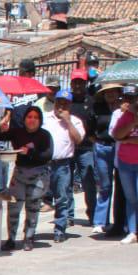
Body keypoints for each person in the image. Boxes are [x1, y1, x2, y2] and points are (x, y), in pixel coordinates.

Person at [0, 105, 53, 252]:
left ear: (40, 120)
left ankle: (29, 238)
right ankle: (11, 239)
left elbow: (48, 155)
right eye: (29, 117)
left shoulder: (45, 135)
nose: (32, 120)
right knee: (14, 207)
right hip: (20, 174)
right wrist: (1, 127)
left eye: (35, 118)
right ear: (24, 119)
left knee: (33, 208)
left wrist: (30, 152)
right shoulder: (17, 132)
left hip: (38, 175)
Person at [44, 90, 86, 243]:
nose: (61, 106)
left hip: (62, 164)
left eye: (65, 103)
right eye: (59, 102)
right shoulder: (45, 118)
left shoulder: (75, 121)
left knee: (61, 198)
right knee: (36, 197)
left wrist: (67, 122)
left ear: (70, 105)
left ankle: (59, 229)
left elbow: (78, 140)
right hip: (45, 163)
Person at [90, 84, 122, 235]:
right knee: (104, 185)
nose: (110, 94)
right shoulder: (98, 108)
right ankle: (101, 221)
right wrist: (97, 142)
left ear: (118, 93)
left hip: (120, 147)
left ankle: (120, 221)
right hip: (103, 147)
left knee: (122, 187)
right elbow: (90, 129)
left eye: (113, 92)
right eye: (106, 92)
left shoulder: (125, 108)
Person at [108, 85, 138, 244]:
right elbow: (117, 134)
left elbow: (124, 138)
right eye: (130, 99)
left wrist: (128, 140)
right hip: (125, 161)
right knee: (131, 198)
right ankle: (133, 231)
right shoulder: (126, 116)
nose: (132, 102)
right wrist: (133, 122)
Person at [68, 71, 98, 226]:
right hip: (69, 147)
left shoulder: (92, 101)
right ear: (71, 83)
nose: (78, 85)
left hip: (86, 148)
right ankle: (68, 216)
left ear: (86, 83)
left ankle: (93, 215)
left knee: (89, 183)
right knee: (66, 183)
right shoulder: (66, 101)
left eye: (81, 82)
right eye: (75, 82)